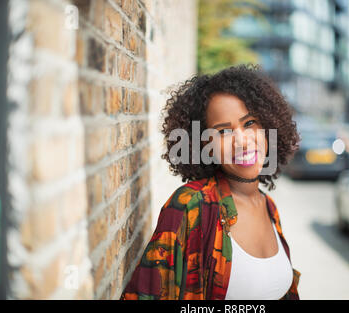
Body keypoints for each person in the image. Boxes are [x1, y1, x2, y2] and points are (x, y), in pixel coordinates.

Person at [120, 64, 301, 300]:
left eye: (249, 123)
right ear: (205, 144)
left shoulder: (270, 208)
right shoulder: (192, 205)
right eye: (224, 132)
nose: (242, 142)